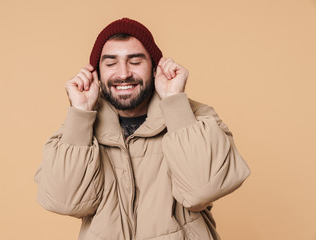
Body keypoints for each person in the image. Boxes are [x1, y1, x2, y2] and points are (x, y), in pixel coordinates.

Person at [34, 18, 250, 240]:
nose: (123, 73)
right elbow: (65, 201)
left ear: (155, 68)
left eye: (135, 61)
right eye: (110, 63)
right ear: (96, 74)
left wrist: (174, 101)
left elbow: (203, 189)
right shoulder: (78, 128)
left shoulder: (195, 118)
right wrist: (80, 114)